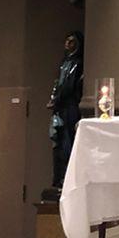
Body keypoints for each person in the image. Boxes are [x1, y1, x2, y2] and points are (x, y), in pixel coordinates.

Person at [48, 31, 85, 194]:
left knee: (68, 141)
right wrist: (54, 98)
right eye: (67, 41)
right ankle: (59, 178)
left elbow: (69, 86)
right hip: (60, 108)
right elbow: (59, 83)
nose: (68, 44)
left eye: (72, 41)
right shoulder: (64, 63)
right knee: (58, 141)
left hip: (70, 107)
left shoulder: (77, 64)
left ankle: (66, 177)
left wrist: (59, 98)